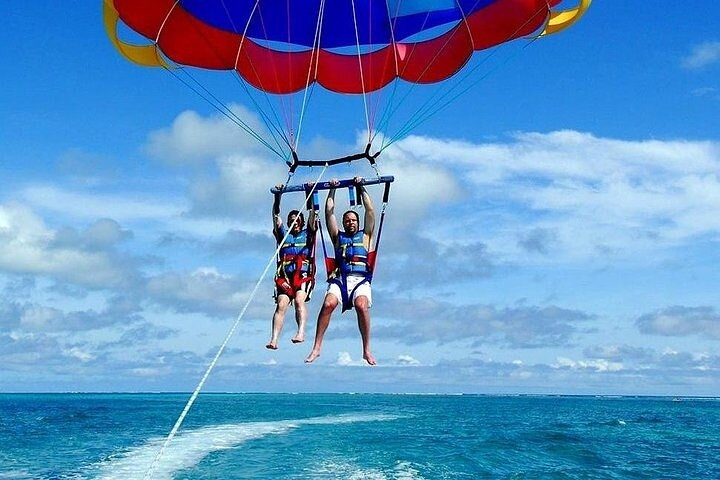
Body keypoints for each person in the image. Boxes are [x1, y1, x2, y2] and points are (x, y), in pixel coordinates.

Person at [305, 177, 377, 365]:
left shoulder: (366, 235)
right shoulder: (338, 237)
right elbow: (329, 212)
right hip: (341, 279)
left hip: (361, 280)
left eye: (353, 220)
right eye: (347, 221)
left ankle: (366, 349)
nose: (350, 223)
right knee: (328, 304)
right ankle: (317, 348)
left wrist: (361, 187)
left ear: (357, 222)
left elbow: (370, 210)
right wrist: (332, 189)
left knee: (361, 306)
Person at [266, 187, 317, 350]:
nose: (295, 223)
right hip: (285, 277)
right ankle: (274, 339)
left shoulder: (308, 233)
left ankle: (300, 332)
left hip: (302, 275)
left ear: (301, 223)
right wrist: (277, 197)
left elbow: (312, 213)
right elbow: (275, 216)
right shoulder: (283, 235)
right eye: (292, 220)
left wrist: (308, 193)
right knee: (281, 305)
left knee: (299, 301)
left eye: (298, 220)